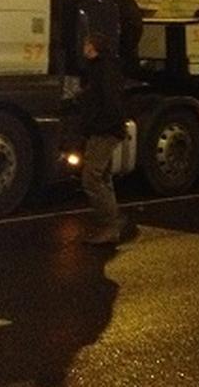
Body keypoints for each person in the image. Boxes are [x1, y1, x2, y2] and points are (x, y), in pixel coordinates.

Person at [75, 31, 130, 245]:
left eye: (86, 44)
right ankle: (112, 222)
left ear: (93, 47)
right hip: (102, 129)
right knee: (104, 177)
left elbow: (109, 102)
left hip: (104, 130)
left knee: (91, 177)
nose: (83, 48)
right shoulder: (102, 67)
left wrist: (102, 125)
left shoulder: (103, 70)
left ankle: (110, 223)